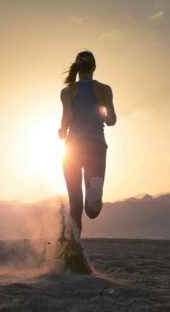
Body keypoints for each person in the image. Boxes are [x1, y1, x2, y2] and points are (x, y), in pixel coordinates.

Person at [58, 50, 117, 238]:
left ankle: (74, 247)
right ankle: (95, 193)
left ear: (77, 67)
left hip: (72, 148)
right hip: (96, 147)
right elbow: (112, 120)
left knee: (75, 204)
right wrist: (104, 118)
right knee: (92, 211)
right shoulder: (105, 89)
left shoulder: (67, 91)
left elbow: (66, 118)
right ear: (94, 67)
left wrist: (61, 132)